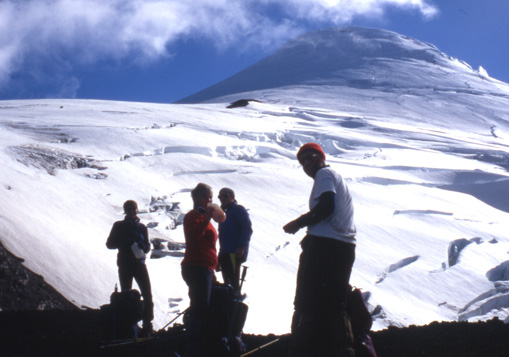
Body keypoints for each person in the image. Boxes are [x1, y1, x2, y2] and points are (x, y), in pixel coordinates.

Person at [283, 143, 357, 357]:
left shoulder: (324, 175)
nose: (306, 163)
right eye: (302, 161)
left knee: (306, 301)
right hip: (344, 247)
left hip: (324, 245)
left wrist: (299, 223)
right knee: (335, 303)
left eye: (310, 157)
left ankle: (301, 350)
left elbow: (326, 207)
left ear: (321, 157)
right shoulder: (333, 176)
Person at [181, 183, 226, 357]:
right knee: (199, 308)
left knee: (203, 306)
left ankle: (199, 344)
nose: (211, 200)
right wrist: (207, 218)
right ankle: (193, 348)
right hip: (196, 266)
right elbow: (193, 238)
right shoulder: (192, 216)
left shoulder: (203, 218)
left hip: (205, 266)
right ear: (199, 198)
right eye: (208, 197)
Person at [106, 200, 154, 336]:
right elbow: (109, 244)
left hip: (138, 263)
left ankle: (147, 324)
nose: (132, 211)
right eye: (129, 209)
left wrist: (143, 248)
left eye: (134, 209)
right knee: (127, 295)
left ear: (137, 210)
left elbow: (147, 246)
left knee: (147, 293)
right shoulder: (119, 226)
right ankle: (129, 325)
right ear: (125, 211)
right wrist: (125, 242)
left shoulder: (142, 228)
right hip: (126, 264)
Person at [217, 187, 253, 291]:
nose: (222, 198)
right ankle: (231, 303)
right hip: (225, 253)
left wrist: (241, 247)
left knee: (233, 284)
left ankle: (235, 303)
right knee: (227, 284)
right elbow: (222, 238)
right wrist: (220, 255)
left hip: (234, 253)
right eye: (220, 196)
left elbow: (247, 229)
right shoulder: (223, 213)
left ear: (232, 197)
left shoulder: (238, 210)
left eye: (225, 196)